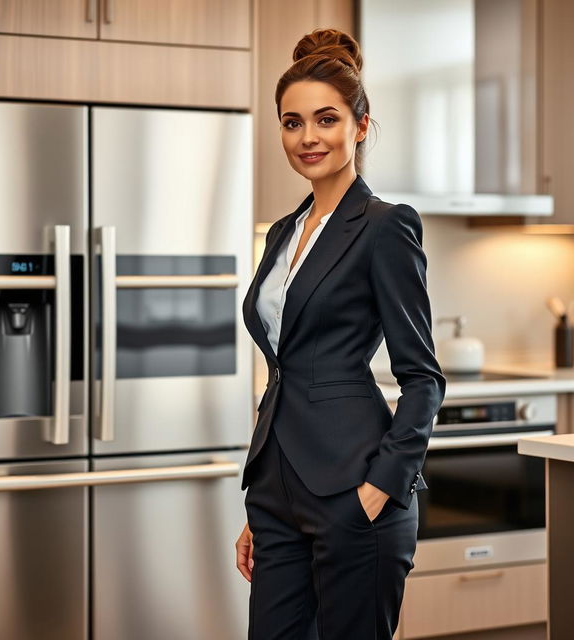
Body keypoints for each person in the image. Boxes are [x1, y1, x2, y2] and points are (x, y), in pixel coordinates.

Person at [234, 27, 446, 640]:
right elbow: (286, 367)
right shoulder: (281, 233)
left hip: (355, 490)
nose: (307, 138)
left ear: (359, 125)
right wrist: (264, 503)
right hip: (277, 491)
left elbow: (423, 380)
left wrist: (377, 493)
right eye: (291, 122)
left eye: (325, 119)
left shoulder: (385, 227)